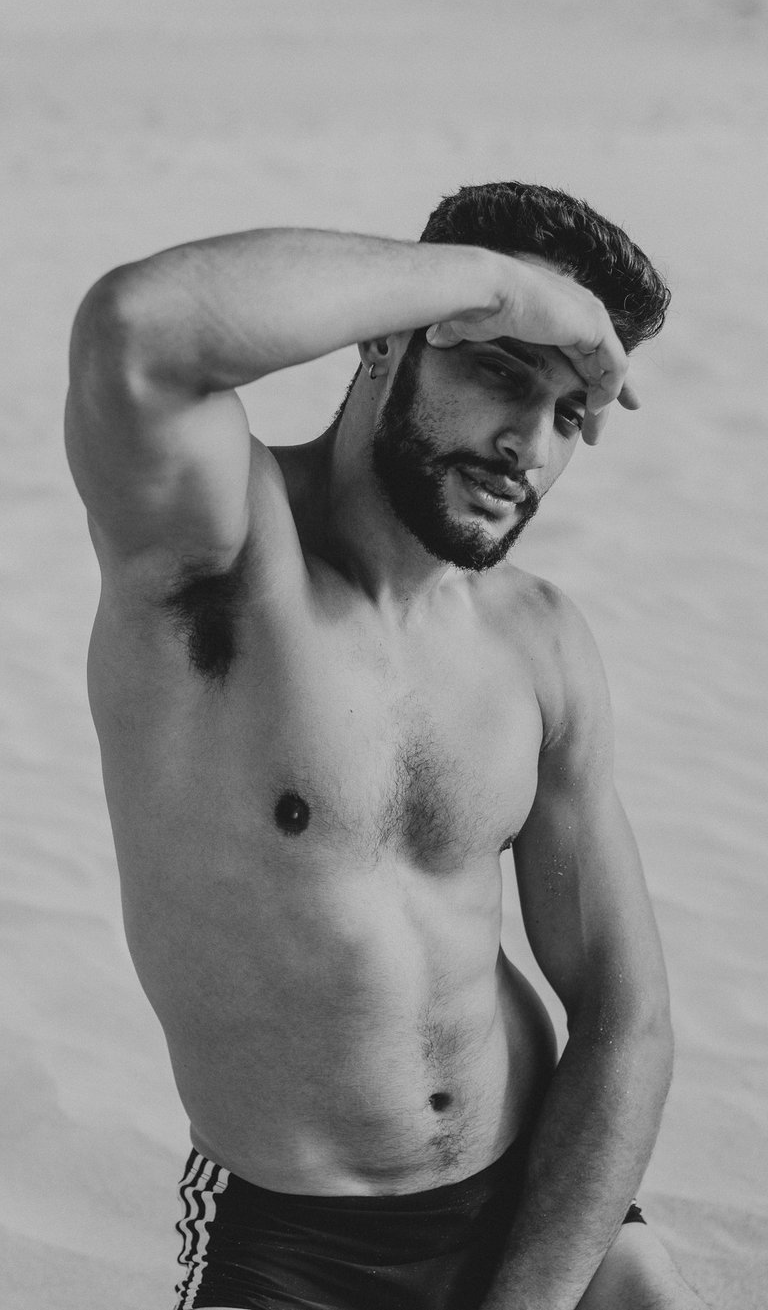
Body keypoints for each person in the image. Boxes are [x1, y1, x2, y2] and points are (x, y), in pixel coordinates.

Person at [65, 181, 707, 1310]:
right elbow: (140, 330)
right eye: (500, 368)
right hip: (299, 1246)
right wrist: (497, 285)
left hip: (536, 1197)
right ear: (383, 338)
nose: (527, 445)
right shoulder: (221, 558)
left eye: (569, 413)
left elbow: (627, 1017)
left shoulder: (537, 641)